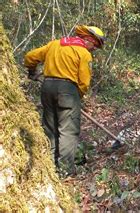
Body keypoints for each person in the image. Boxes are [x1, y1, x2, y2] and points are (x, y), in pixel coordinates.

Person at [24, 25, 105, 176]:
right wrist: (75, 97)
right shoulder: (83, 53)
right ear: (88, 39)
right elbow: (84, 83)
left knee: (51, 127)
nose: (94, 49)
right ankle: (64, 172)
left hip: (47, 87)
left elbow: (29, 57)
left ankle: (50, 166)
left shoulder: (54, 44)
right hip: (68, 90)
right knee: (68, 131)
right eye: (95, 45)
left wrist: (32, 71)